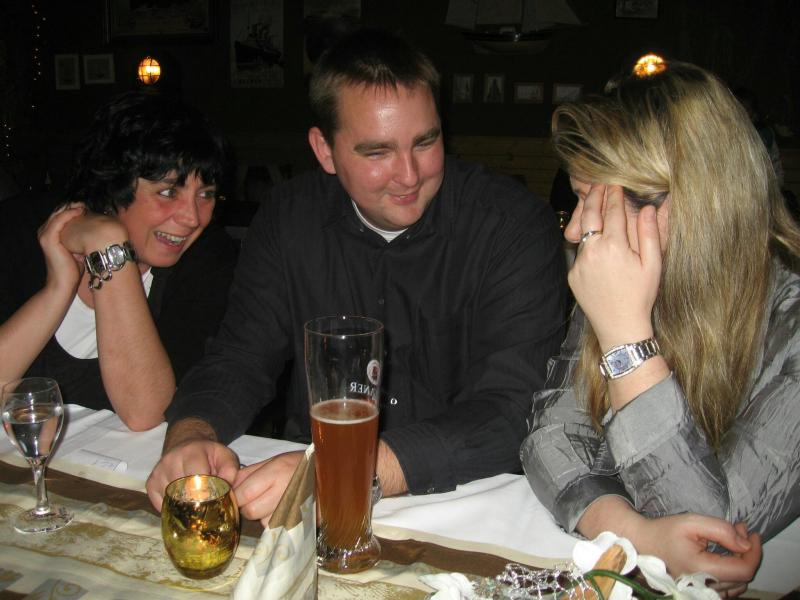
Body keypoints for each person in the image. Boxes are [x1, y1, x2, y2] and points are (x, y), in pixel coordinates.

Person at [145, 28, 566, 522]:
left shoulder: (512, 225)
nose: (409, 174)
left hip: (469, 500)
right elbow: (241, 355)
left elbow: (514, 407)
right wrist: (192, 433)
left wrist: (347, 470)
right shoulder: (288, 217)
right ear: (324, 150)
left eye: (425, 142)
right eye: (377, 152)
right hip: (311, 496)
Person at [521, 59, 800, 596]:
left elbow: (712, 545)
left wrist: (627, 340)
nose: (576, 230)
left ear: (691, 202)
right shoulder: (627, 279)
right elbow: (550, 436)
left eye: (593, 201)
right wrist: (634, 533)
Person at [0, 91, 238, 431]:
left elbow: (145, 412)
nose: (192, 217)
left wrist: (109, 246)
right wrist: (59, 288)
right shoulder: (18, 232)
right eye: (168, 191)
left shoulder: (207, 262)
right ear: (114, 186)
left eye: (206, 194)